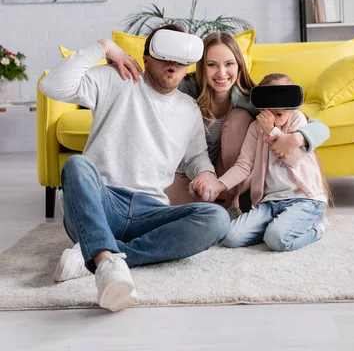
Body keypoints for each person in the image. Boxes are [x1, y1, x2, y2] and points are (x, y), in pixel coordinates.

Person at [39, 24, 230, 312]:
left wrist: (206, 174)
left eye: (180, 59)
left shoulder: (189, 109)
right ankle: (104, 259)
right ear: (146, 58)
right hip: (102, 202)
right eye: (165, 55)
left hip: (150, 210)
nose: (173, 64)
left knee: (216, 218)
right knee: (77, 165)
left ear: (189, 65)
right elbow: (52, 85)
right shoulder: (117, 80)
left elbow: (195, 158)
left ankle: (98, 255)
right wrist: (103, 47)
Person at [167, 32, 330, 217]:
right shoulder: (186, 89)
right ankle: (218, 205)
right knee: (177, 210)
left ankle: (231, 199)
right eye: (212, 65)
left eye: (229, 64)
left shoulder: (252, 99)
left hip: (232, 174)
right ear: (202, 68)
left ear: (239, 65)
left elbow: (319, 127)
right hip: (192, 170)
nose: (221, 73)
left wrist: (296, 138)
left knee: (239, 117)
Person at [191, 73, 330, 252]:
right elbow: (243, 165)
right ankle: (279, 225)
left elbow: (293, 160)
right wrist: (219, 185)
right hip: (269, 203)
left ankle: (317, 228)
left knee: (277, 240)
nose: (277, 106)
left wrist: (271, 131)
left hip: (302, 200)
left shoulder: (297, 120)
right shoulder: (256, 128)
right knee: (231, 237)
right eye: (270, 99)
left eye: (284, 98)